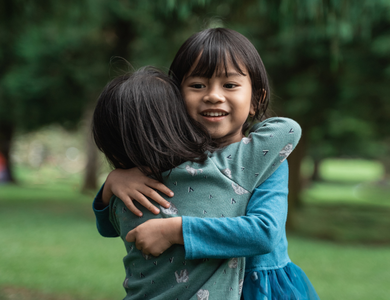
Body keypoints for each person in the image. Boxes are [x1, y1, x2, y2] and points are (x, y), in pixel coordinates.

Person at [93, 28, 319, 299]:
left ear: (255, 100)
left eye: (230, 85)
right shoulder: (174, 162)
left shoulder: (265, 158)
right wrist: (112, 184)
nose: (213, 95)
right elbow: (116, 226)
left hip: (260, 286)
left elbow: (264, 231)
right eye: (197, 85)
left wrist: (176, 230)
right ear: (175, 100)